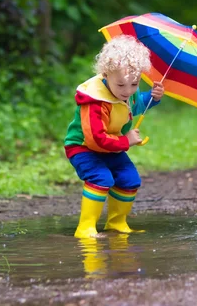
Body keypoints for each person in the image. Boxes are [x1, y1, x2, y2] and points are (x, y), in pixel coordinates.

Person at [64, 35, 164, 239]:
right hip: (84, 147)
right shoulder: (94, 102)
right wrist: (126, 141)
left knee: (129, 179)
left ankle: (116, 223)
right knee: (101, 177)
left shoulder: (127, 92)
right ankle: (85, 228)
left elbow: (136, 103)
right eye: (121, 86)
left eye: (135, 84)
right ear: (105, 74)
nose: (127, 91)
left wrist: (153, 98)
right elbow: (95, 139)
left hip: (112, 146)